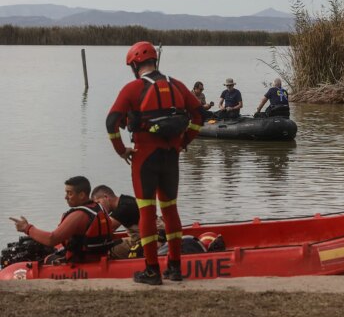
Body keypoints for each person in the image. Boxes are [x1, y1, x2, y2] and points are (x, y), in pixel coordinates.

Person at [106, 41, 203, 285]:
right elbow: (199, 116)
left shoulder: (132, 89)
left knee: (147, 211)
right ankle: (175, 267)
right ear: (154, 61)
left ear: (135, 64)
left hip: (144, 158)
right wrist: (184, 142)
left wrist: (121, 150)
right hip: (171, 156)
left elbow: (111, 122)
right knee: (170, 209)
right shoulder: (177, 85)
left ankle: (151, 271)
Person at [9, 176, 114, 264]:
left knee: (46, 259)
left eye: (69, 193)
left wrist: (27, 228)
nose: (66, 197)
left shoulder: (79, 215)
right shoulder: (99, 208)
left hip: (81, 262)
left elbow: (51, 239)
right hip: (99, 257)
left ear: (82, 195)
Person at [91, 184, 140, 259]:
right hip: (139, 237)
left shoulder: (124, 208)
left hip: (147, 240)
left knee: (108, 250)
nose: (99, 208)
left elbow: (105, 228)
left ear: (106, 197)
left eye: (98, 203)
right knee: (115, 242)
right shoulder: (126, 200)